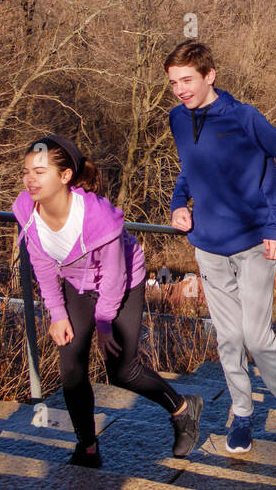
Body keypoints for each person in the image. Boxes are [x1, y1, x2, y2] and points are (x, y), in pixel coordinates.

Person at [13, 135, 203, 467]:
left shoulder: (96, 216)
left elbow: (114, 275)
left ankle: (183, 407)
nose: (30, 179)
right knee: (71, 366)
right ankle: (87, 445)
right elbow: (42, 265)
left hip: (124, 282)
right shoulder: (26, 210)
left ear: (65, 176)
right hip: (79, 284)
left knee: (122, 370)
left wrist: (104, 324)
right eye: (27, 171)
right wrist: (57, 313)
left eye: (40, 172)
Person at [165, 40, 276, 453]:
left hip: (254, 244)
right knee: (228, 337)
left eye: (187, 80)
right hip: (208, 247)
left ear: (210, 76)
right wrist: (178, 205)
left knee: (257, 337)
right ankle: (242, 413)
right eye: (173, 82)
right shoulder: (178, 119)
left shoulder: (245, 118)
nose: (180, 89)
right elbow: (189, 169)